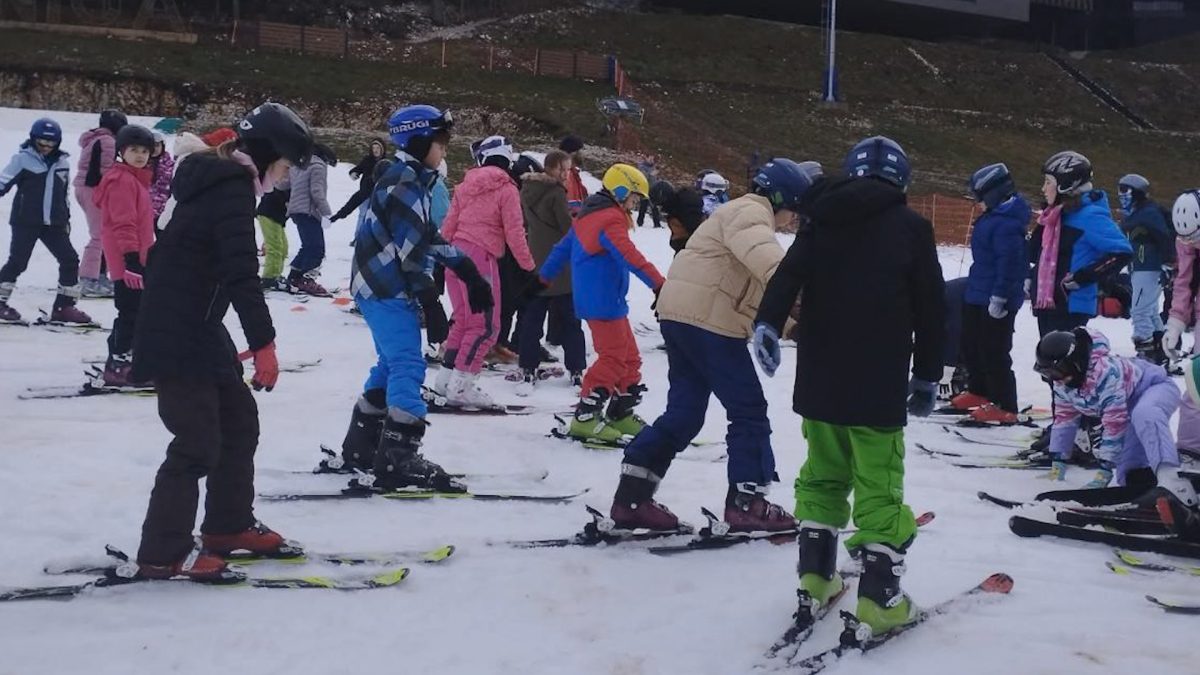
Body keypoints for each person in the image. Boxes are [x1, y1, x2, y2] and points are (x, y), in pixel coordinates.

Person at [753, 136, 944, 638]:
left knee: (822, 473)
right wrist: (927, 373)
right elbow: (931, 307)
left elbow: (787, 274)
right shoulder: (912, 227)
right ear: (901, 180)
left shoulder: (823, 218)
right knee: (878, 485)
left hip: (820, 378)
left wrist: (767, 324)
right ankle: (880, 600)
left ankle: (816, 578)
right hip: (875, 384)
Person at [130, 102, 312, 581]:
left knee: (238, 420)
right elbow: (240, 274)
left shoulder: (218, 181)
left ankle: (227, 526)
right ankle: (162, 552)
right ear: (269, 154)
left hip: (199, 326)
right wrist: (265, 342)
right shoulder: (230, 188)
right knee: (196, 441)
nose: (286, 175)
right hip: (177, 330)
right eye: (286, 164)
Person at [608, 158, 813, 533]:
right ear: (783, 199)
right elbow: (773, 269)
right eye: (795, 210)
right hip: (710, 323)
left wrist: (794, 326)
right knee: (748, 409)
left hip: (681, 317)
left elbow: (757, 290)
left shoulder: (734, 214)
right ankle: (747, 502)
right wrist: (807, 293)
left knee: (684, 413)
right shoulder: (752, 213)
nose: (792, 220)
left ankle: (632, 496)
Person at [338, 104, 495, 487]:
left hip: (377, 286)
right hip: (387, 287)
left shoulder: (411, 179)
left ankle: (362, 446)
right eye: (440, 144)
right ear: (420, 141)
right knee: (408, 364)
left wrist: (468, 271)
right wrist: (430, 300)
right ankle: (399, 458)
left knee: (391, 364)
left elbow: (426, 238)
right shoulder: (405, 182)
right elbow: (411, 252)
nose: (444, 152)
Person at [541, 163, 664, 443]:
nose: (635, 205)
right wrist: (659, 285)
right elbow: (630, 256)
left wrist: (542, 279)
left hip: (609, 300)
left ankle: (620, 413)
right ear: (621, 190)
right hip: (601, 301)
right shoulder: (608, 219)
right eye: (634, 197)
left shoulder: (590, 214)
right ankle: (585, 416)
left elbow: (562, 249)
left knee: (630, 357)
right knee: (612, 357)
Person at [1025, 151, 1133, 452]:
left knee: (1071, 372)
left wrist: (1083, 277)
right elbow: (1035, 253)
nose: (1043, 187)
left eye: (1048, 182)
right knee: (1051, 370)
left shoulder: (1090, 215)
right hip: (1048, 301)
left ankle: (1082, 431)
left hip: (1071, 304)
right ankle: (1063, 426)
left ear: (1066, 184)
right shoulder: (1058, 214)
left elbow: (1121, 252)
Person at [1035, 328, 1196, 505]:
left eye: (1058, 372)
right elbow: (1064, 419)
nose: (1056, 379)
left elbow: (1114, 423)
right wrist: (1059, 458)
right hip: (1128, 404)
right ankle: (1151, 489)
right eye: (1049, 374)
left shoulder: (1104, 374)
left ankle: (1171, 480)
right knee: (1129, 472)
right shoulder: (1064, 385)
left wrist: (1105, 468)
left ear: (1075, 363)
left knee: (1145, 413)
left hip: (1156, 387)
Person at [433, 135, 535, 407]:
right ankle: (462, 386)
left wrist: (441, 264)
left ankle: (445, 380)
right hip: (481, 259)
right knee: (486, 327)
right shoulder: (507, 188)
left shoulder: (465, 185)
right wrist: (529, 268)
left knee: (463, 321)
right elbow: (515, 234)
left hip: (455, 257)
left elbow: (448, 226)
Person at [949, 163, 1030, 424]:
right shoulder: (992, 218)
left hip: (996, 297)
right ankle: (979, 390)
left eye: (980, 197)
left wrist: (1001, 297)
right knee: (971, 345)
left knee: (994, 350)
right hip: (977, 292)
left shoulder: (1008, 224)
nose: (977, 203)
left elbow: (1011, 264)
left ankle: (1005, 403)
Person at [0, 118, 93, 325]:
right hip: (26, 221)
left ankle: (64, 307)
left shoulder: (63, 164)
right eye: (42, 143)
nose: (46, 147)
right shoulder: (22, 160)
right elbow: (3, 181)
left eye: (51, 143)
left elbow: (63, 194)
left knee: (69, 260)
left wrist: (66, 219)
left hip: (54, 223)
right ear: (33, 140)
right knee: (18, 262)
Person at [516, 149, 586, 393]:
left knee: (532, 320)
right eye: (564, 169)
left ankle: (527, 365)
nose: (567, 175)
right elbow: (567, 228)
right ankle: (576, 368)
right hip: (560, 265)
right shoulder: (556, 193)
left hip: (536, 261)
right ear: (553, 168)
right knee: (570, 321)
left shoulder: (527, 190)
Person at [94, 124, 157, 388]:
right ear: (121, 152)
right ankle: (119, 365)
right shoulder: (122, 181)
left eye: (145, 151)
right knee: (131, 313)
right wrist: (131, 260)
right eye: (134, 150)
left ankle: (122, 359)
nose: (140, 155)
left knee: (135, 312)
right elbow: (123, 223)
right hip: (128, 261)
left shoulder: (135, 179)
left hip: (137, 259)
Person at [1117, 173, 1174, 365]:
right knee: (1149, 311)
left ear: (1137, 192)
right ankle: (1161, 352)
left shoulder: (1148, 212)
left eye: (1125, 190)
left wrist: (1168, 261)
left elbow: (1163, 236)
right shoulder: (1136, 212)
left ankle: (1146, 355)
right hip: (1140, 267)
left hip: (1149, 267)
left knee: (1139, 311)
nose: (1121, 194)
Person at [75, 109, 127, 298]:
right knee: (99, 235)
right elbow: (106, 170)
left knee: (106, 233)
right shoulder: (107, 142)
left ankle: (100, 275)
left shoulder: (95, 138)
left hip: (86, 188)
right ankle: (88, 279)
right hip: (93, 189)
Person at [285, 142, 333, 296]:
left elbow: (283, 185)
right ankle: (307, 279)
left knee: (307, 246)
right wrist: (327, 213)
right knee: (317, 248)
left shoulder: (298, 165)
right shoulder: (318, 167)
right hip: (309, 211)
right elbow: (317, 192)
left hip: (296, 210)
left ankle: (294, 277)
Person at [331, 138, 385, 222]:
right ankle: (358, 233)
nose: (375, 150)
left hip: (379, 196)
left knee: (375, 218)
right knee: (362, 214)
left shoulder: (386, 164)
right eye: (373, 148)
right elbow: (358, 169)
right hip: (365, 193)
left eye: (377, 148)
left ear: (382, 149)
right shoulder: (367, 160)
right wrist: (354, 173)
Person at [646, 180, 705, 252]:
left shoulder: (685, 208)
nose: (660, 209)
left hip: (694, 251)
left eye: (659, 205)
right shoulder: (674, 209)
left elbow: (695, 231)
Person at [256, 185, 291, 290]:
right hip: (269, 213)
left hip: (278, 217)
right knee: (275, 247)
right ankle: (269, 277)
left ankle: (276, 275)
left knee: (283, 248)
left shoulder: (293, 178)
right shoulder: (282, 176)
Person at [148, 131, 175, 230]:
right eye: (151, 146)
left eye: (157, 145)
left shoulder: (169, 164)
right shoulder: (142, 163)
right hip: (146, 209)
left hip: (163, 209)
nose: (154, 149)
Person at [559, 135, 589, 215]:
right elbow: (570, 209)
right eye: (580, 151)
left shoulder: (574, 174)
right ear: (573, 153)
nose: (583, 154)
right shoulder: (566, 177)